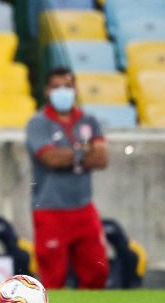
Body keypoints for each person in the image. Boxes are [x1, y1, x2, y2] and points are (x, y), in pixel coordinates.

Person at [26, 67, 110, 290]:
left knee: (97, 272)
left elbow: (101, 158)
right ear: (47, 91)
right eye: (56, 87)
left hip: (83, 208)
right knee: (53, 277)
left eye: (67, 86)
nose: (62, 91)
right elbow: (50, 158)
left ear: (75, 89)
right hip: (50, 210)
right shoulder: (38, 122)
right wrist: (84, 151)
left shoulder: (89, 120)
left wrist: (70, 153)